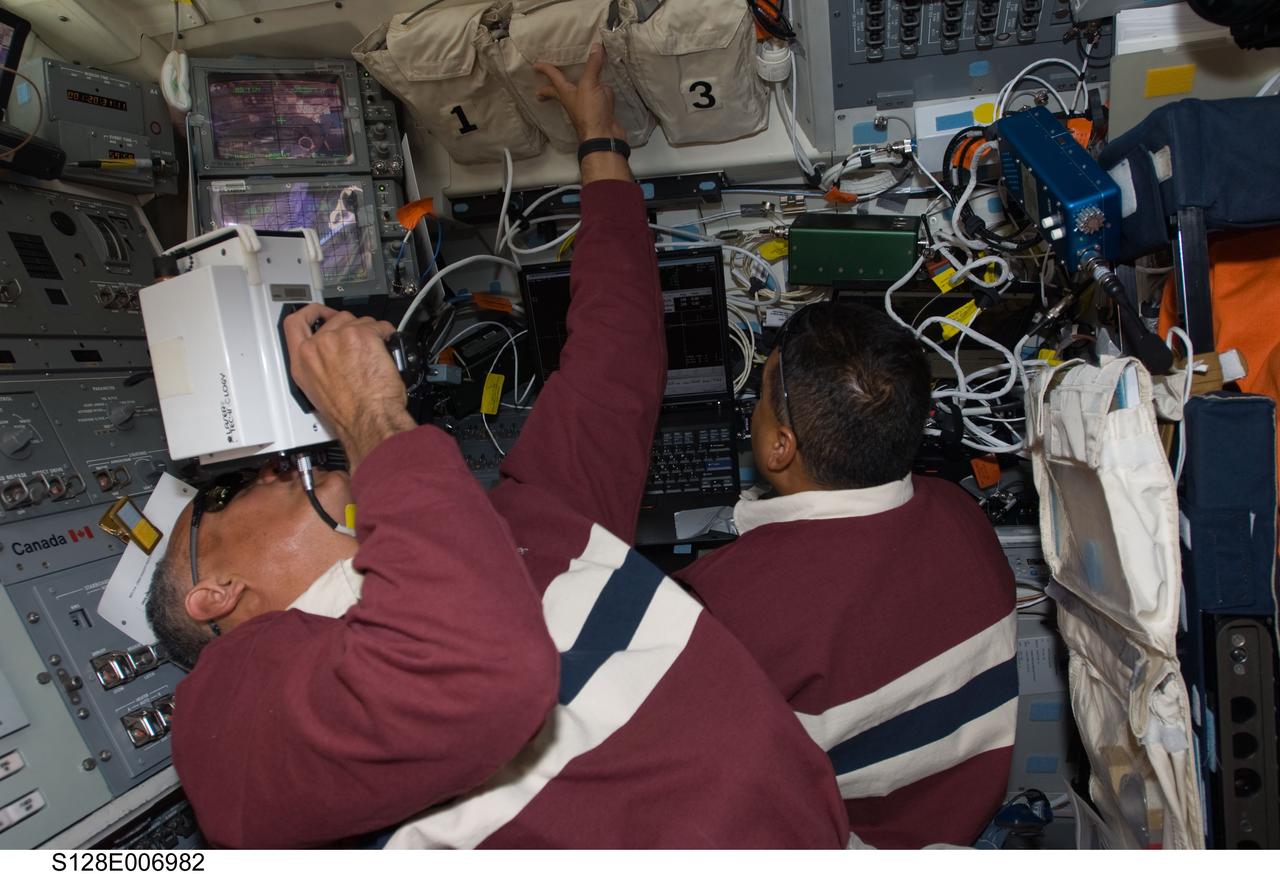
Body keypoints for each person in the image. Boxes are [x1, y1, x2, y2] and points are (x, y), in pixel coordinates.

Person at [147, 46, 849, 849]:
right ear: (216, 594)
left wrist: (601, 146)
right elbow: (475, 668)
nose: (271, 469)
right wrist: (373, 419)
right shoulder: (231, 701)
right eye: (230, 493)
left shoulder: (519, 522)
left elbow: (616, 356)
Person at [676, 303, 1019, 849]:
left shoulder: (725, 607)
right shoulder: (962, 512)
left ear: (779, 446)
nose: (753, 412)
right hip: (961, 825)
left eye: (760, 400)